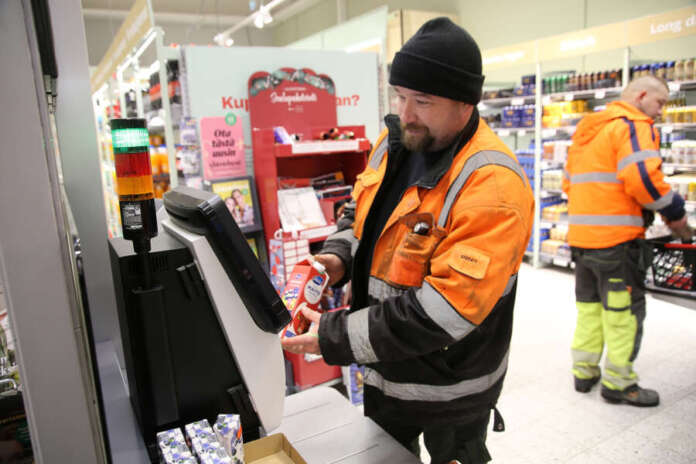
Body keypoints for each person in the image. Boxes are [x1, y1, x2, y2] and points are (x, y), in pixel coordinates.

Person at [281, 17, 534, 464]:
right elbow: (357, 216)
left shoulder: (492, 187)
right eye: (399, 96)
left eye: (423, 101)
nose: (406, 113)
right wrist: (337, 257)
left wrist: (333, 336)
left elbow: (444, 313)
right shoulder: (394, 142)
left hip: (449, 392)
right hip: (384, 371)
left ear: (465, 104)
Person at [563, 75, 691, 407]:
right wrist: (675, 212)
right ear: (642, 96)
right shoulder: (633, 125)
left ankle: (584, 372)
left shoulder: (587, 130)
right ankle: (619, 384)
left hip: (581, 240)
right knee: (623, 314)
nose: (661, 112)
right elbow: (643, 178)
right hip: (617, 243)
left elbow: (568, 185)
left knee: (588, 309)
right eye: (660, 103)